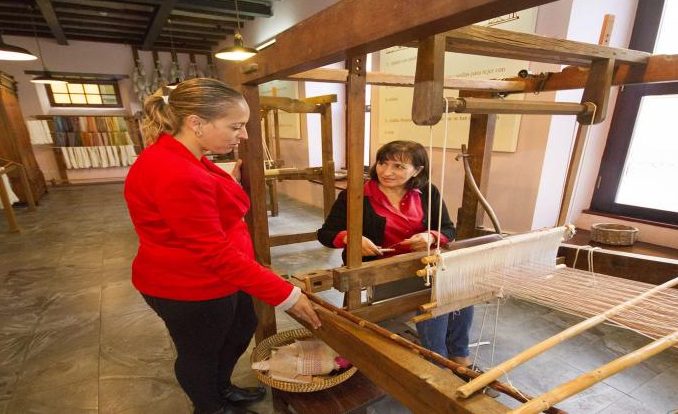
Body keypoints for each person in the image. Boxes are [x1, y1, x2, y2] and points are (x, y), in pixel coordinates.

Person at [124, 78, 321, 414]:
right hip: (187, 284)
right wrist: (287, 295)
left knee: (240, 327)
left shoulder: (186, 155)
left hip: (220, 276)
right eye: (236, 126)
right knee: (200, 352)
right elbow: (212, 250)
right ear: (196, 123)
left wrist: (224, 180)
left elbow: (201, 201)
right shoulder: (176, 171)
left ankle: (221, 388)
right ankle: (210, 406)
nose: (242, 135)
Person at [316, 140, 472, 366]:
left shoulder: (427, 192)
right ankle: (439, 362)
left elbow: (448, 228)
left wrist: (431, 236)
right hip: (378, 272)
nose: (386, 172)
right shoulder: (357, 195)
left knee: (464, 286)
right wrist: (351, 238)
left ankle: (460, 355)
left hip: (421, 265)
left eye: (398, 166)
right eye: (382, 163)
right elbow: (325, 233)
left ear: (417, 170)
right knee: (433, 293)